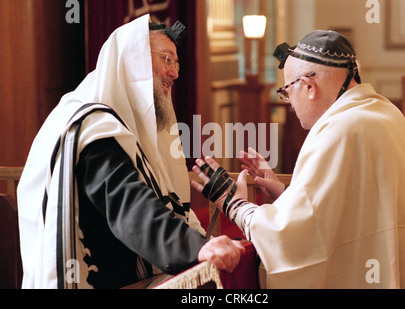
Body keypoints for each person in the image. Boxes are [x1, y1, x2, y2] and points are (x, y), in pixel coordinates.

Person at [191, 30, 405, 289]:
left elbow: (290, 239)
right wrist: (288, 194)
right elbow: (351, 210)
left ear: (309, 86)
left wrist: (234, 203)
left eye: (287, 91)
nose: (289, 102)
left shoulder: (339, 128)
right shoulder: (387, 113)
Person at [17, 14, 244, 289]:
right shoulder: (91, 126)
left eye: (177, 63)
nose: (175, 73)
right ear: (131, 61)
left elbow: (164, 205)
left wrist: (204, 240)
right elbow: (129, 205)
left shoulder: (125, 127)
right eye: (166, 59)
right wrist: (194, 248)